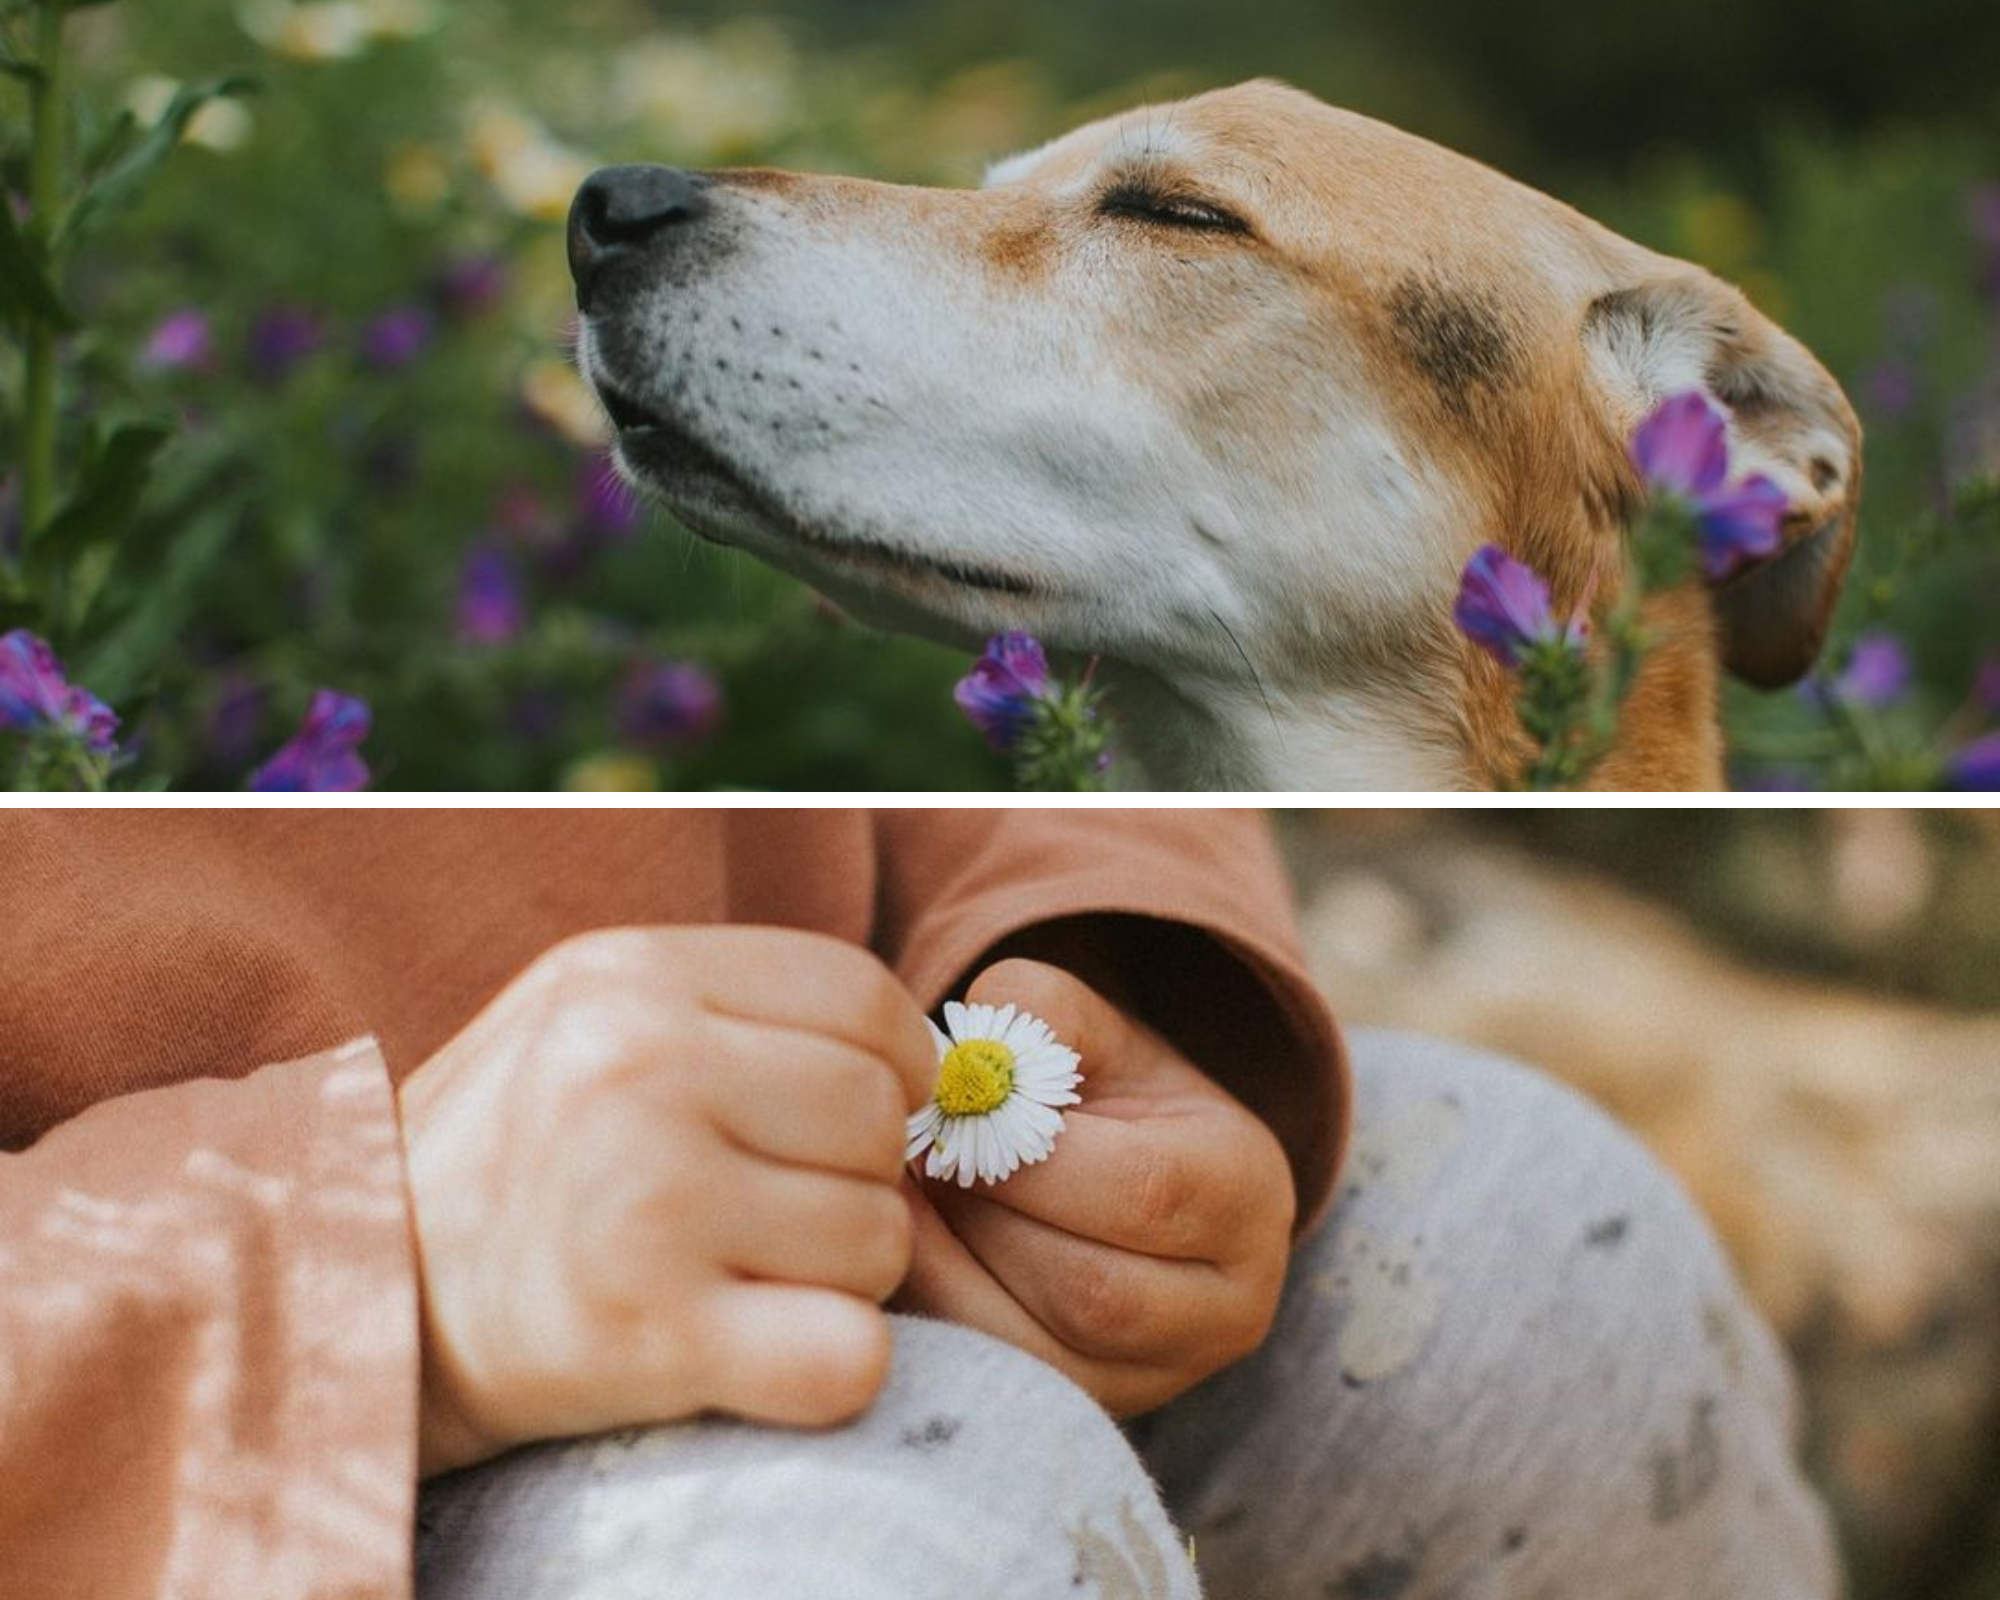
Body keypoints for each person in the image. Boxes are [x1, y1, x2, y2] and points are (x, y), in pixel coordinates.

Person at [0, 809, 1840, 1599]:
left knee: (1519, 1264)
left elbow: (1025, 706)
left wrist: (1078, 943)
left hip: (851, 1140)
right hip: (157, 1477)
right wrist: (343, 1262)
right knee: (898, 1535)